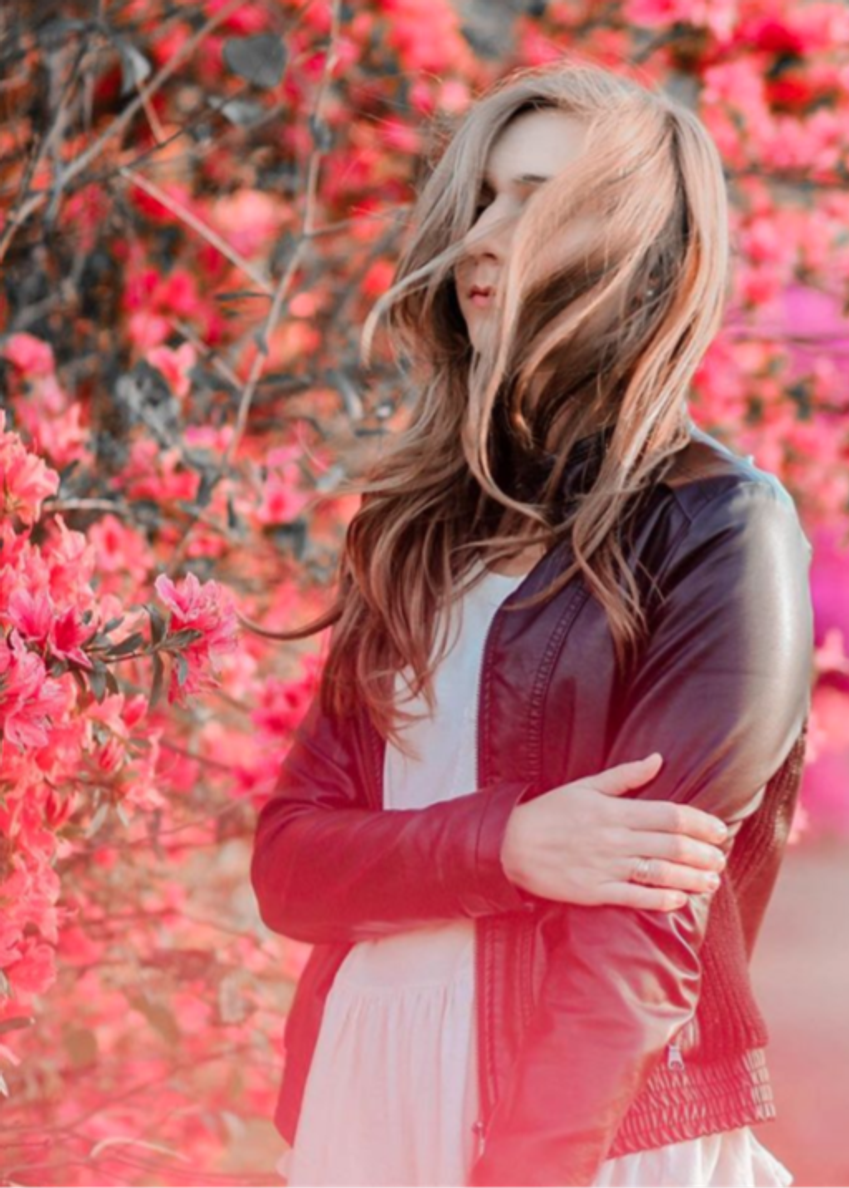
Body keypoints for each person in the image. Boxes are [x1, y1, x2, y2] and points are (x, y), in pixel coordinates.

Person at [249, 58, 814, 1188]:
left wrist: (528, 1172)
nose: (480, 237)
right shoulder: (415, 524)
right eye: (483, 196)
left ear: (640, 253)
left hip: (586, 1121)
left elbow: (639, 934)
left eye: (534, 198)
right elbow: (291, 869)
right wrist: (509, 844)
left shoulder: (717, 524)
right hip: (369, 1085)